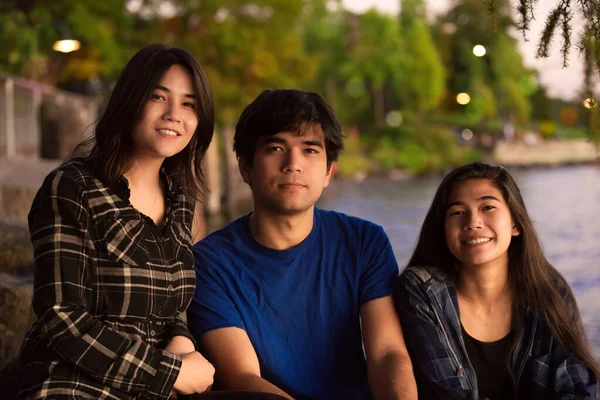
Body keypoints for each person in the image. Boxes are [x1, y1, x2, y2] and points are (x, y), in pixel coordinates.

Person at [186, 89, 417, 400]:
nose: (292, 164)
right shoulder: (207, 262)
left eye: (309, 150)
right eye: (275, 147)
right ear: (245, 167)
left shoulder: (364, 243)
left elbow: (387, 353)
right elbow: (242, 375)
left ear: (328, 171)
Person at [17, 44, 216, 399]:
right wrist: (169, 373)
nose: (174, 114)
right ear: (130, 102)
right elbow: (61, 318)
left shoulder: (180, 199)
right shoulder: (74, 187)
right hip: (77, 383)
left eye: (188, 104)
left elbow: (171, 307)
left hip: (158, 385)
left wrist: (183, 343)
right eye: (158, 97)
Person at [395, 162, 600, 399]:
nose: (473, 222)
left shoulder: (549, 291)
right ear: (443, 229)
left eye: (488, 207)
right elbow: (449, 395)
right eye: (457, 212)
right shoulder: (422, 291)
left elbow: (577, 387)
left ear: (515, 223)